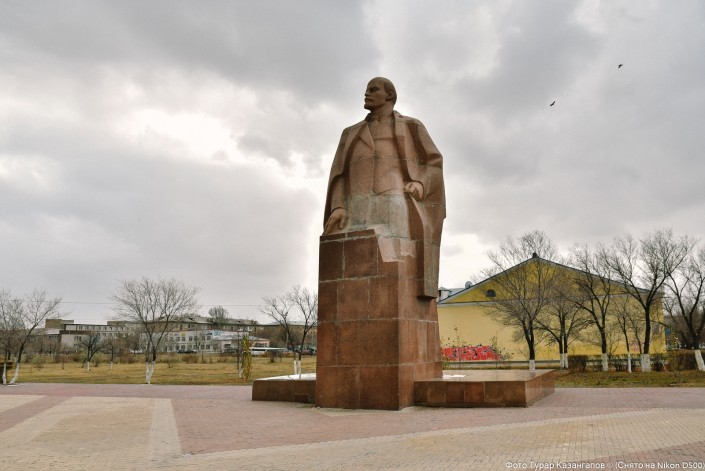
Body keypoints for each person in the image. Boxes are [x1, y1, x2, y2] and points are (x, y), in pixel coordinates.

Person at [323, 77, 445, 298]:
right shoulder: (350, 133)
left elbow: (434, 162)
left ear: (389, 95)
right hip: (355, 205)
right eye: (366, 90)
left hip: (393, 199)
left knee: (397, 258)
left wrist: (420, 183)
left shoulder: (410, 126)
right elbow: (340, 173)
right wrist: (338, 206)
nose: (366, 94)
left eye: (373, 89)